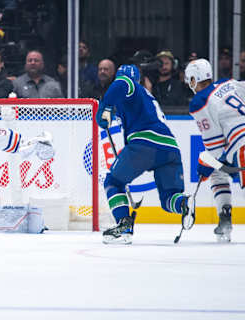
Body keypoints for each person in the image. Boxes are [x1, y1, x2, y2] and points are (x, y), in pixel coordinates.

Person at [96, 64, 192, 244]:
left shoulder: (130, 87)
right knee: (169, 198)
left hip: (145, 144)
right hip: (170, 149)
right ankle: (184, 204)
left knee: (113, 182)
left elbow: (122, 84)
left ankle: (124, 227)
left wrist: (106, 107)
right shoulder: (148, 97)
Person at [184, 58, 245, 242]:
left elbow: (215, 148)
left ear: (194, 80)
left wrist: (205, 165)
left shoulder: (199, 101)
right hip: (237, 142)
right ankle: (224, 217)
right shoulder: (230, 83)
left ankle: (225, 218)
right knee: (219, 172)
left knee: (215, 169)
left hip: (241, 144)